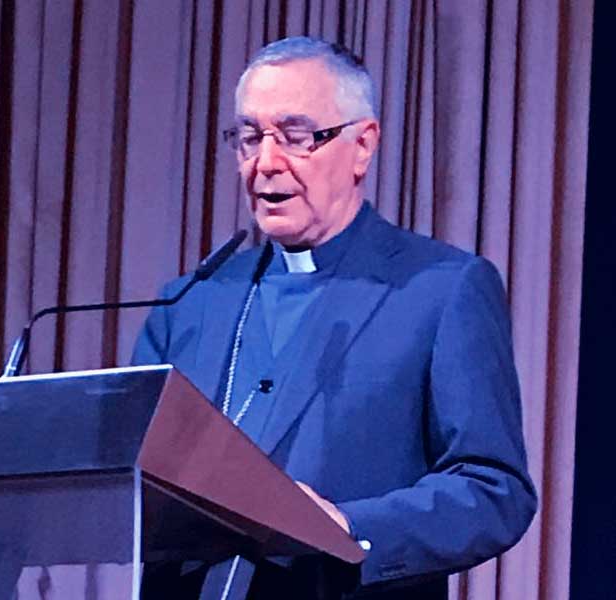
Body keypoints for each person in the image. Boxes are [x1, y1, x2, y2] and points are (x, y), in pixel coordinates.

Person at [132, 36, 537, 600]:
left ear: (362, 145)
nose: (265, 162)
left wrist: (348, 528)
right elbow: (129, 476)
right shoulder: (190, 303)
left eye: (295, 136)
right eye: (249, 137)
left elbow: (493, 491)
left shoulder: (441, 290)